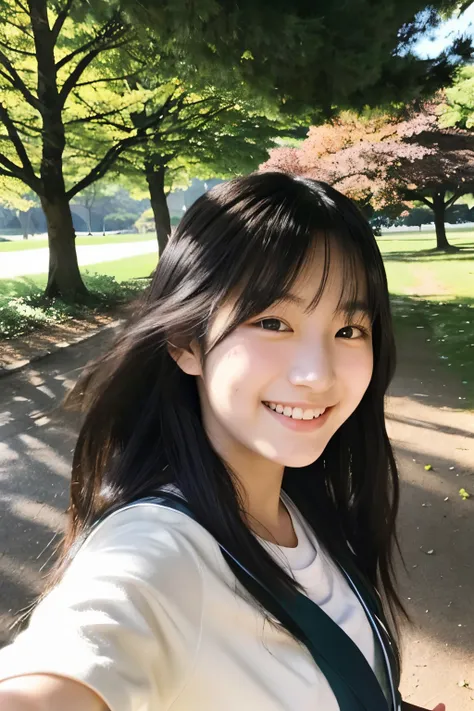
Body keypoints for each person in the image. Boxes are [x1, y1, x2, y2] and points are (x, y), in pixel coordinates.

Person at [0, 173, 445, 711]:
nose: (316, 374)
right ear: (187, 342)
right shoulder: (154, 554)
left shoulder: (298, 508)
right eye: (273, 321)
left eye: (348, 330)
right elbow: (62, 670)